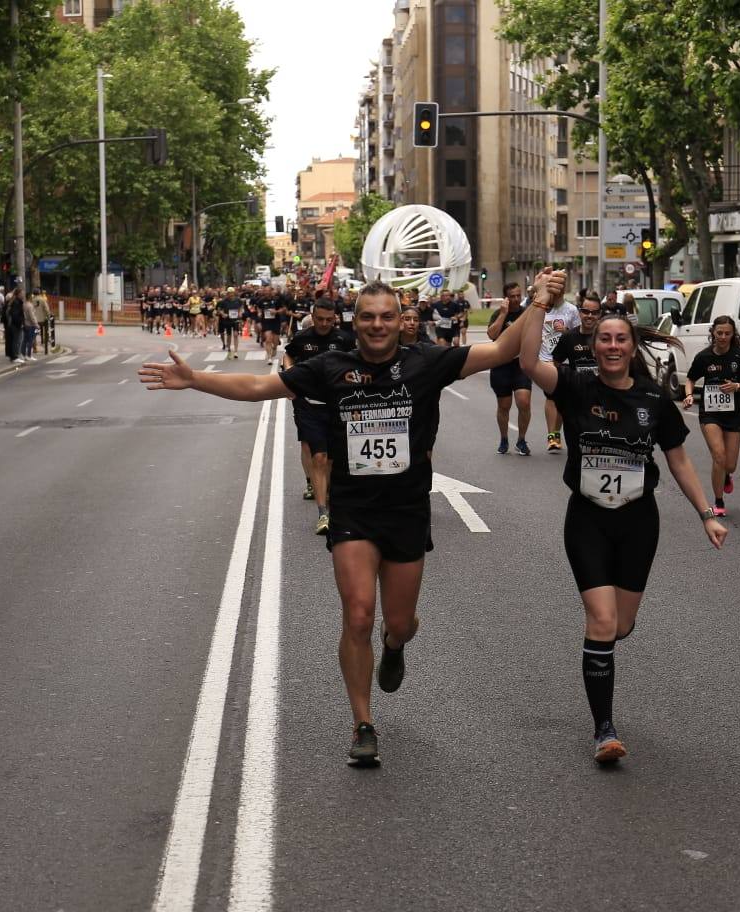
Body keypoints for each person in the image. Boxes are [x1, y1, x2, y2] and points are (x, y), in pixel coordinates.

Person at [139, 274, 560, 766]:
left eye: (386, 316)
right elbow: (257, 385)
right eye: (367, 316)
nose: (377, 325)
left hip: (405, 509)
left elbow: (504, 350)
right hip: (353, 508)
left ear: (397, 321)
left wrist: (537, 304)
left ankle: (395, 641)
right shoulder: (330, 366)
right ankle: (363, 723)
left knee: (399, 622)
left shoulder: (425, 361)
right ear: (353, 322)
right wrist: (195, 380)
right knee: (358, 613)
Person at [518, 288, 727, 765]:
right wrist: (538, 305)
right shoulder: (574, 385)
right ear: (595, 347)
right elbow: (530, 362)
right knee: (603, 621)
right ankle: (604, 729)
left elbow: (678, 461)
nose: (612, 347)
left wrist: (706, 514)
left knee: (622, 625)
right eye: (605, 340)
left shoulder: (653, 398)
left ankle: (602, 654)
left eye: (621, 340)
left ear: (632, 349)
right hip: (587, 517)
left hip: (638, 521)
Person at [283, 298, 357, 534]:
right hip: (309, 405)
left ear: (334, 318)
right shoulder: (303, 338)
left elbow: (357, 364)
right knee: (319, 456)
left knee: (334, 461)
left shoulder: (344, 339)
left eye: (329, 320)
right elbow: (288, 356)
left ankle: (335, 504)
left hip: (338, 406)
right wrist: (290, 374)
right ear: (312, 317)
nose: (324, 324)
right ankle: (323, 513)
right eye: (320, 319)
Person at [683, 315, 740, 517]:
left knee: (729, 464)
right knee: (719, 456)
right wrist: (689, 395)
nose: (723, 337)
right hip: (710, 413)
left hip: (735, 413)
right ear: (713, 333)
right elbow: (690, 379)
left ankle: (726, 476)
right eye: (719, 333)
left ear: (733, 335)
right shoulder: (704, 357)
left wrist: (737, 386)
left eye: (727, 333)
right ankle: (718, 501)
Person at [487, 282, 533, 455]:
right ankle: (504, 438)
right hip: (501, 366)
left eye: (518, 295)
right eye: (512, 296)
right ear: (506, 298)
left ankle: (521, 440)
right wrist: (503, 314)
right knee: (504, 405)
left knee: (524, 401)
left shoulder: (525, 314)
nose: (515, 299)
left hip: (520, 365)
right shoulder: (498, 314)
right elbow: (492, 335)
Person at [538, 286, 581, 452]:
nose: (553, 295)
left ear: (562, 292)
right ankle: (552, 436)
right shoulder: (542, 309)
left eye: (557, 292)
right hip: (546, 359)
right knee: (550, 396)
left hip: (565, 360)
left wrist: (567, 331)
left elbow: (578, 333)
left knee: (562, 399)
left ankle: (556, 432)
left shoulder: (571, 310)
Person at [553, 292, 602, 376]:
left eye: (594, 312)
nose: (590, 315)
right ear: (579, 312)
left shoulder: (606, 337)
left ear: (600, 314)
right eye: (585, 311)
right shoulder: (568, 337)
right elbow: (554, 365)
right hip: (576, 388)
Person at [4, 286, 26, 364]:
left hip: (12, 324)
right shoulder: (16, 302)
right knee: (16, 340)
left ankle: (14, 355)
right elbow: (15, 314)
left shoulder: (15, 301)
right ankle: (14, 356)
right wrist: (20, 323)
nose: (23, 295)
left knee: (15, 340)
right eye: (22, 293)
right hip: (15, 325)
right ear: (19, 294)